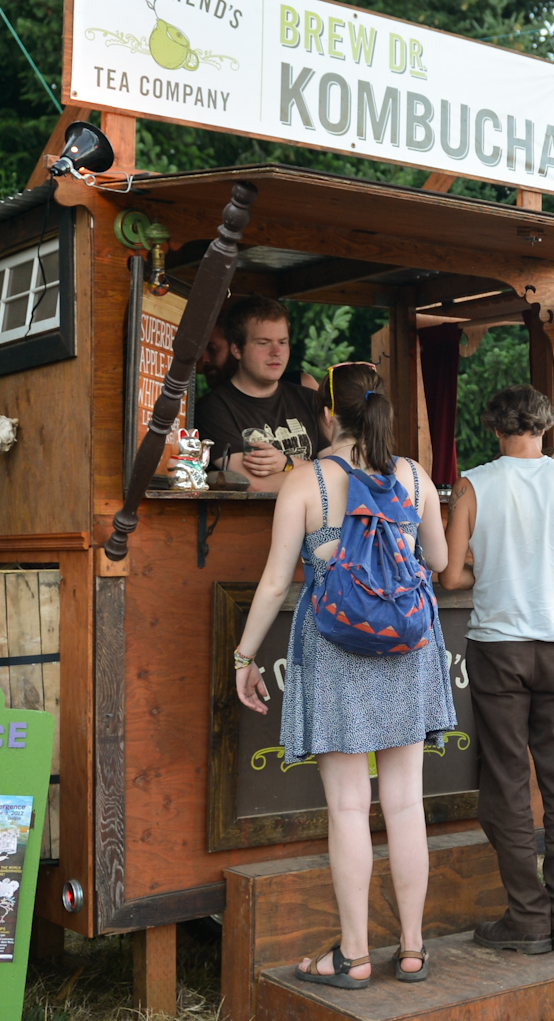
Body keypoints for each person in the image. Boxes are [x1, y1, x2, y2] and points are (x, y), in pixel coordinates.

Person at [232, 363, 454, 986]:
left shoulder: (306, 481)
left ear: (327, 416)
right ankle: (412, 949)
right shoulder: (413, 477)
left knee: (350, 809)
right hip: (407, 648)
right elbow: (436, 559)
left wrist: (246, 658)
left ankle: (353, 956)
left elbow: (277, 581)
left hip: (333, 648)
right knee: (406, 804)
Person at [440, 385, 554, 955]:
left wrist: (492, 575)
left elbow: (451, 576)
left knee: (508, 783)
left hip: (500, 647)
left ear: (494, 427)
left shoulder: (474, 484)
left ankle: (527, 916)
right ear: (543, 427)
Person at [196, 295, 327, 492]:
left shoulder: (309, 399)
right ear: (237, 349)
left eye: (282, 342)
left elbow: (342, 469)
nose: (276, 351)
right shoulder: (213, 408)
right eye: (263, 343)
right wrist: (323, 475)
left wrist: (287, 463)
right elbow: (254, 484)